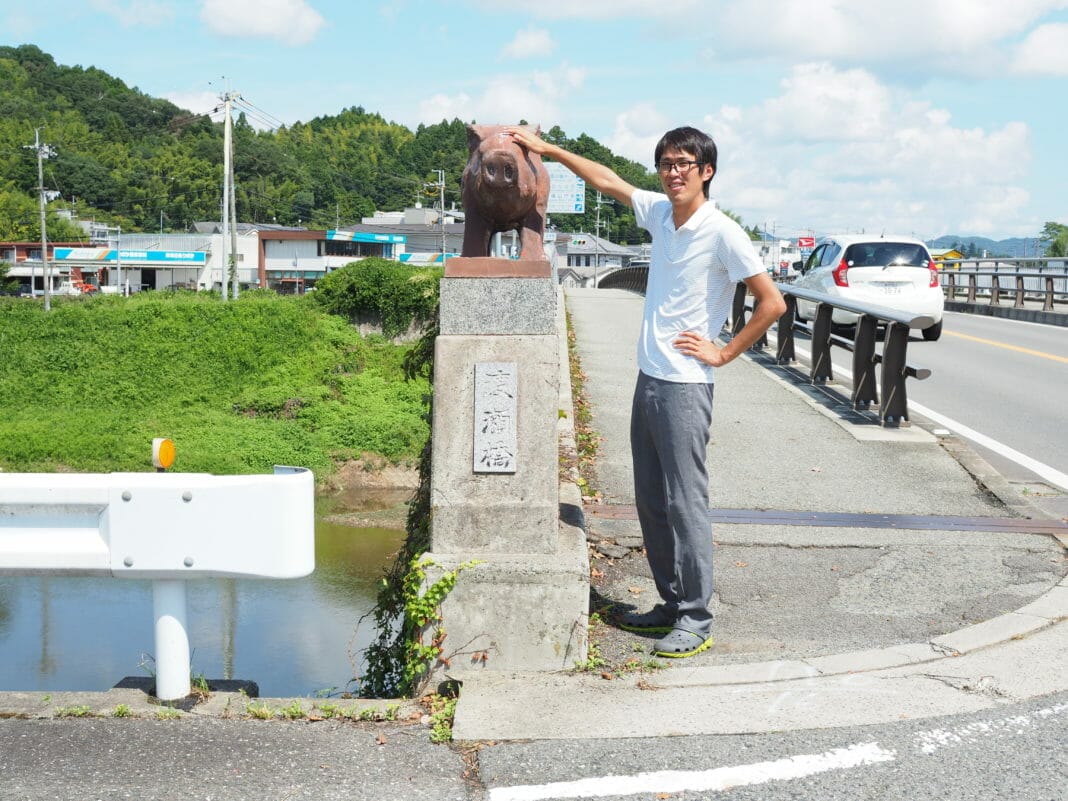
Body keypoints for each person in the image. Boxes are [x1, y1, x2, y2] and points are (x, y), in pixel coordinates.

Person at [508, 125, 786, 658]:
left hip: (686, 386)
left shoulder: (724, 231)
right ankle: (672, 602)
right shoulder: (661, 214)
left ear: (706, 171)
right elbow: (608, 180)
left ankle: (697, 618)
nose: (673, 172)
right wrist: (550, 152)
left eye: (684, 164)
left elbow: (772, 303)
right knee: (651, 501)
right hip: (649, 377)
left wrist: (723, 352)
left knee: (685, 502)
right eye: (666, 163)